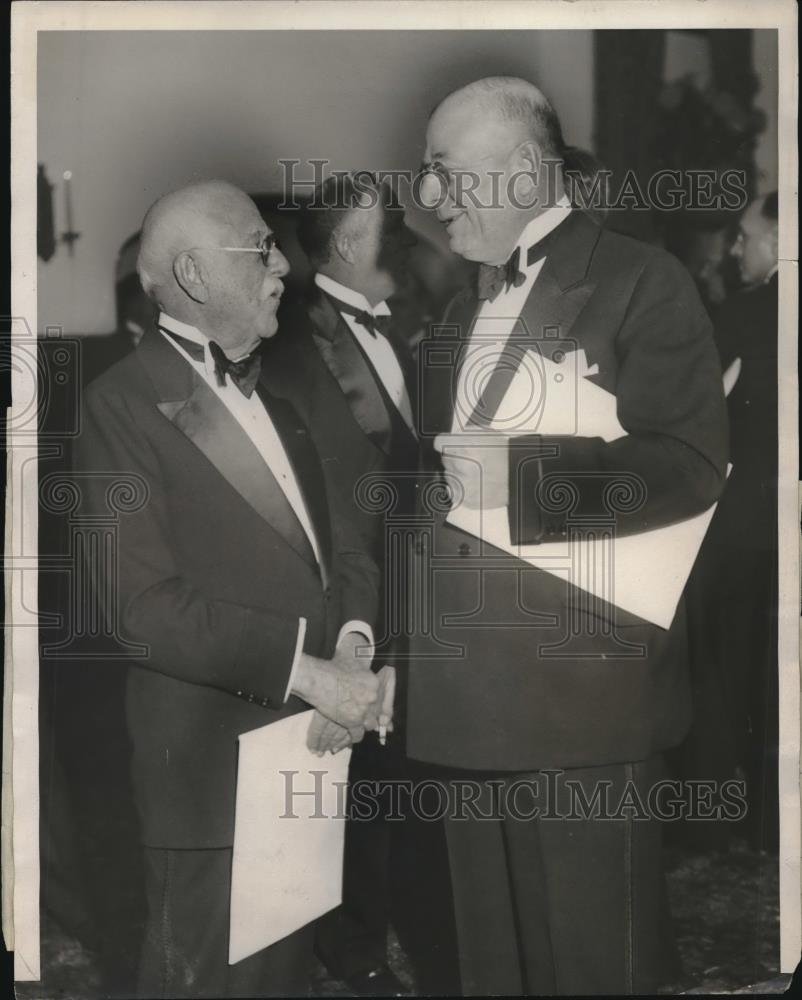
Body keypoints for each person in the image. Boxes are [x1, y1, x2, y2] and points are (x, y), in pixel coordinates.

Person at [403, 77, 729, 995]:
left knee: (594, 964)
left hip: (581, 701)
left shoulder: (640, 279)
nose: (429, 197)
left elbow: (691, 462)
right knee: (491, 966)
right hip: (466, 697)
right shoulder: (461, 308)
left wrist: (527, 475)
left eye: (445, 171)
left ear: (520, 170)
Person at [74, 179, 393, 998]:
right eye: (260, 246)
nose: (283, 262)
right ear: (192, 271)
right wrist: (315, 675)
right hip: (211, 773)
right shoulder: (120, 407)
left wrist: (353, 647)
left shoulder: (284, 396)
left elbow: (344, 540)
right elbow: (143, 610)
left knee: (284, 980)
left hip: (310, 749)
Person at [268, 174, 459, 995]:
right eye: (393, 230)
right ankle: (352, 948)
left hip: (415, 581)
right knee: (354, 777)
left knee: (399, 771)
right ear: (346, 244)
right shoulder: (295, 342)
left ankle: (400, 930)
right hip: (356, 587)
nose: (411, 240)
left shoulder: (407, 324)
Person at [678, 191, 779, 853]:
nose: (738, 249)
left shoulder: (741, 316)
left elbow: (698, 412)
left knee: (731, 660)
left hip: (746, 524)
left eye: (747, 236)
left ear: (779, 236)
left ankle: (733, 815)